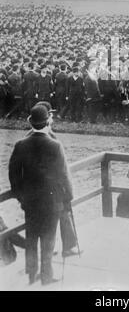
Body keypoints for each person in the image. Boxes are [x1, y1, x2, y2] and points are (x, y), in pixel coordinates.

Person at [8, 105, 73, 285]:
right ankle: (46, 276)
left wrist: (20, 196)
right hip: (52, 202)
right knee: (48, 240)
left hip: (30, 202)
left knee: (31, 238)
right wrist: (69, 196)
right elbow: (64, 175)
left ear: (31, 122)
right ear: (47, 123)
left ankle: (32, 275)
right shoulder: (55, 145)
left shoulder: (21, 144)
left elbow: (13, 174)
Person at [26, 101, 78, 258]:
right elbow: (62, 170)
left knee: (55, 217)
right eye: (51, 115)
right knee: (59, 215)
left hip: (40, 190)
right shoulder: (50, 139)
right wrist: (69, 191)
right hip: (53, 189)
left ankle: (59, 247)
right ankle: (62, 248)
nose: (53, 117)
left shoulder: (30, 137)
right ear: (47, 118)